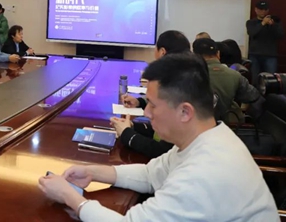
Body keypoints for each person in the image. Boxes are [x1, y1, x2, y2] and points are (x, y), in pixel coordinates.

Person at [39, 53, 278, 222]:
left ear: (185, 112)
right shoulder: (206, 137)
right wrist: (93, 172)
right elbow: (151, 174)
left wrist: (70, 197)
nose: (146, 112)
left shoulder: (205, 172)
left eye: (152, 105)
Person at [110, 30, 190, 158]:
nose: (147, 112)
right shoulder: (185, 78)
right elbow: (159, 131)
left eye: (153, 104)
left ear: (162, 52)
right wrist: (133, 126)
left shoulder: (176, 87)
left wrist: (127, 134)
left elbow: (162, 150)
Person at [193, 38, 260, 122]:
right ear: (218, 54)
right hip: (229, 125)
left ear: (195, 56)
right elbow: (253, 96)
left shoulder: (189, 75)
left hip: (198, 124)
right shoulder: (235, 75)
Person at [246, 0, 284, 84]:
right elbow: (252, 33)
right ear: (256, 10)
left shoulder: (275, 22)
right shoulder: (251, 22)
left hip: (270, 56)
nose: (263, 11)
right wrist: (263, 23)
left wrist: (273, 25)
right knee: (255, 79)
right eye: (260, 9)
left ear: (268, 10)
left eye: (265, 9)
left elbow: (280, 35)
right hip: (254, 55)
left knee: (271, 80)